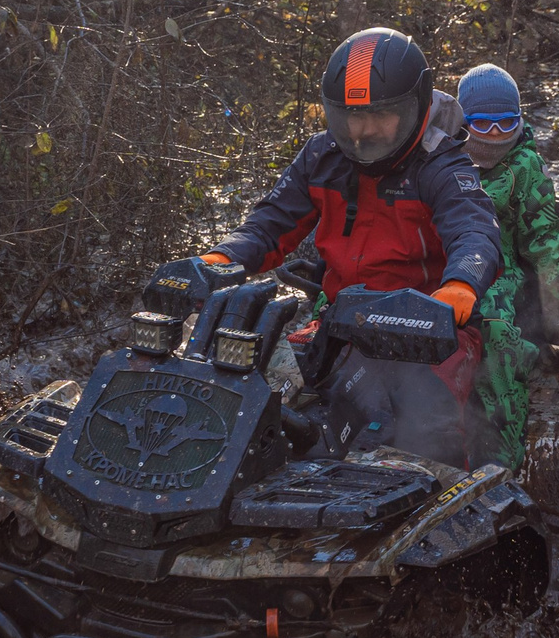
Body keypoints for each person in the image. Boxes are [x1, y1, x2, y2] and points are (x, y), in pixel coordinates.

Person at [204, 27, 503, 468]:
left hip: (432, 326)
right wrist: (221, 258)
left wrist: (460, 284)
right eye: (350, 116)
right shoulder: (321, 156)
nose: (363, 131)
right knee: (256, 394)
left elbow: (474, 230)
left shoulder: (441, 163)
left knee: (426, 430)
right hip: (342, 317)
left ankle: (447, 507)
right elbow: (270, 224)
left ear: (414, 105)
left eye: (381, 115)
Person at [455, 64, 559, 471]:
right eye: (482, 123)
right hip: (446, 272)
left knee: (496, 347)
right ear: (463, 121)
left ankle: (501, 466)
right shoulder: (439, 160)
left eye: (506, 123)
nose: (495, 135)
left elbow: (545, 238)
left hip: (502, 282)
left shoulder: (524, 168)